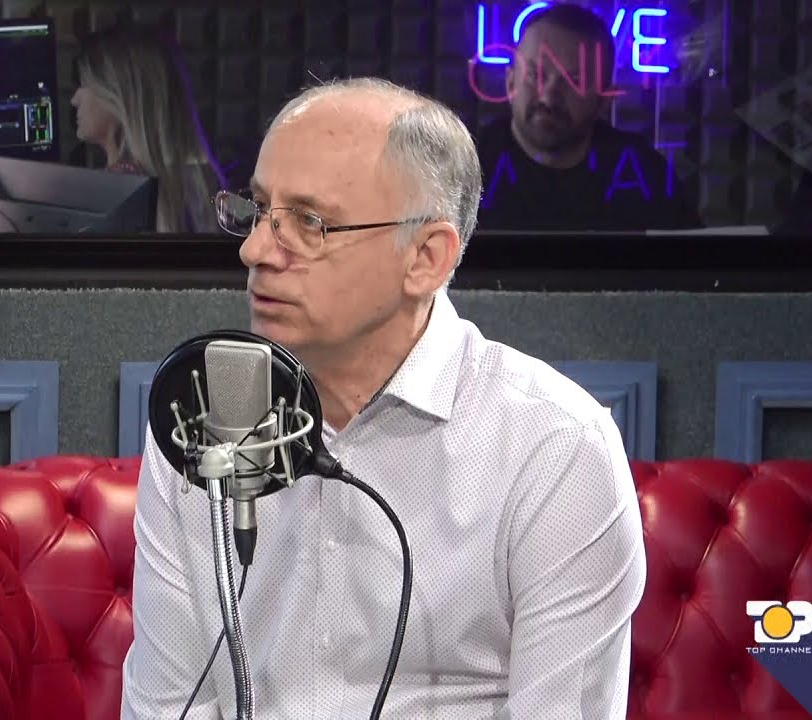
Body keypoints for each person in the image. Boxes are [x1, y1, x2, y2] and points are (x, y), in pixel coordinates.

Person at [122, 76, 647, 718]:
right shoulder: (199, 420)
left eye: (309, 223)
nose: (255, 250)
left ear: (425, 258)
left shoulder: (555, 452)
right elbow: (168, 705)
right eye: (258, 210)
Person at [475, 3, 701, 231]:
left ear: (603, 100)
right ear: (510, 82)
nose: (549, 97)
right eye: (535, 75)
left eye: (575, 81)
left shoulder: (646, 173)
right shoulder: (464, 164)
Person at [71, 25, 225, 233]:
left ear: (120, 96)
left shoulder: (109, 198)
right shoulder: (201, 182)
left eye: (84, 84)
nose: (74, 99)